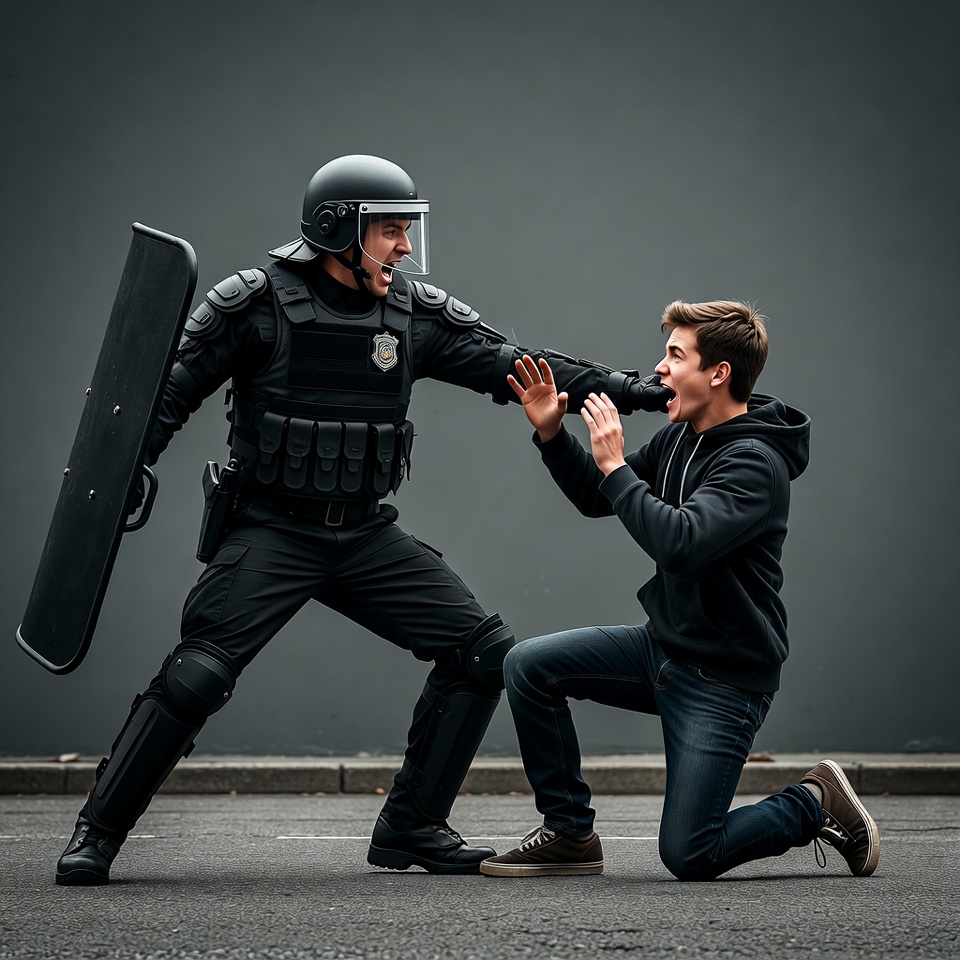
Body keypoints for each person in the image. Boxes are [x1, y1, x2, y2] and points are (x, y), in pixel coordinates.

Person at [54, 155, 672, 885]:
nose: (406, 247)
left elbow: (522, 366)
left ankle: (411, 824)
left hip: (364, 536)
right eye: (391, 230)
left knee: (482, 653)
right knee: (196, 676)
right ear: (337, 229)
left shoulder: (410, 316)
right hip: (272, 529)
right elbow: (167, 393)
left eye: (408, 230)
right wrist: (128, 467)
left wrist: (632, 391)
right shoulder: (253, 305)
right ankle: (98, 831)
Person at [480, 300, 880, 881]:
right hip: (661, 648)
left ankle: (814, 802)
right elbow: (599, 497)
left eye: (675, 355)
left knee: (691, 853)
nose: (659, 370)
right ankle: (568, 833)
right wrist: (551, 434)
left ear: (718, 373)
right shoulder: (680, 438)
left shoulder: (754, 464)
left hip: (723, 678)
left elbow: (680, 543)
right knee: (528, 666)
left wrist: (617, 467)